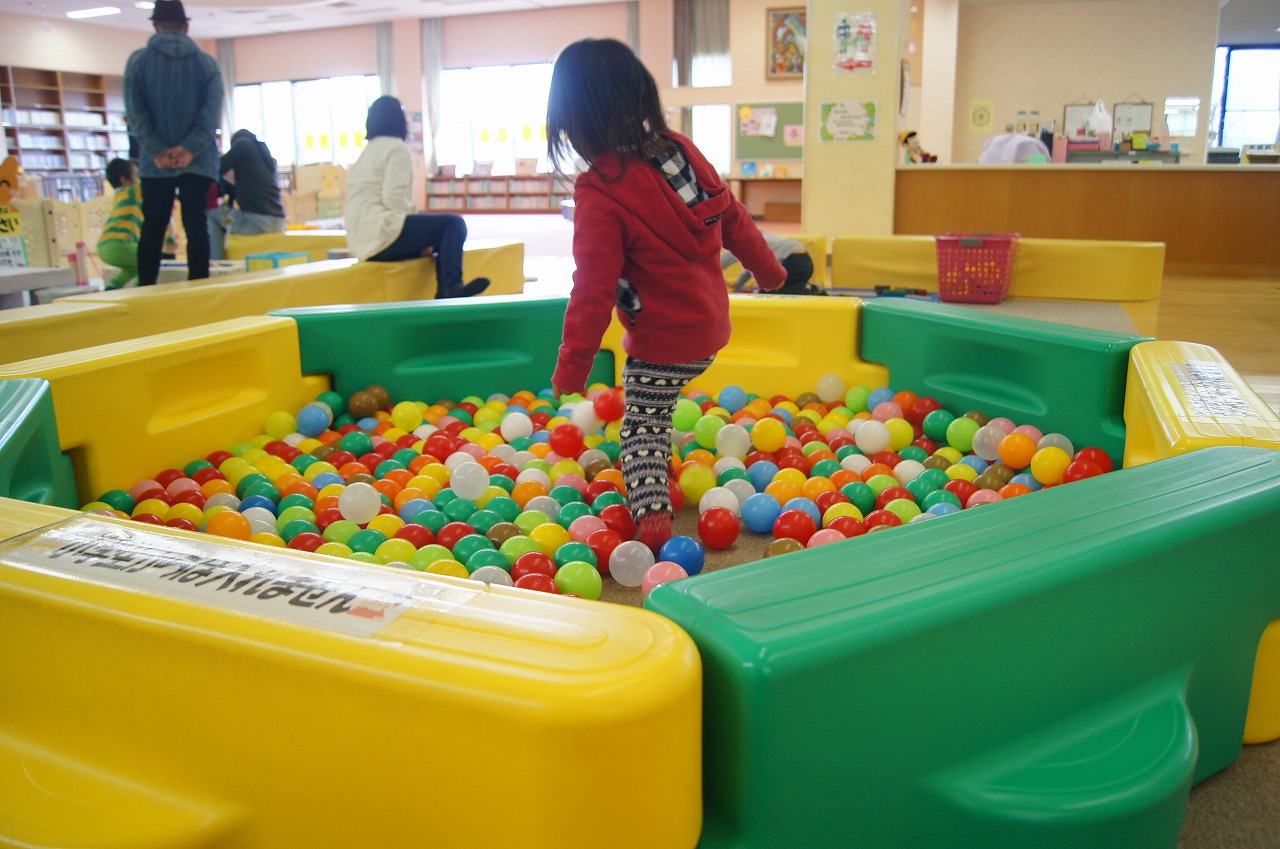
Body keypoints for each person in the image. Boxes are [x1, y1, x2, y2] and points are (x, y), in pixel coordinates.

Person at [545, 38, 787, 555]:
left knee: (643, 426)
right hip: (710, 330)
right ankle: (661, 473)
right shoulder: (681, 150)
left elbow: (592, 285)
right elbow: (734, 217)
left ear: (574, 120)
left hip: (661, 341)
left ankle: (653, 519)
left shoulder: (600, 189)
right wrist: (768, 272)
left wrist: (573, 365)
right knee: (661, 399)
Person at [344, 96, 489, 299]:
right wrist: (419, 215)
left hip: (361, 242)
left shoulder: (366, 152)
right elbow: (393, 200)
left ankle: (446, 286)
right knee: (453, 224)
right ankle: (450, 287)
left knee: (433, 236)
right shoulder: (396, 148)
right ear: (399, 119)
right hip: (381, 232)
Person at [123, 0, 223, 286]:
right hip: (199, 159)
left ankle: (146, 288)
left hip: (155, 163)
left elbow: (135, 112)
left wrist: (156, 150)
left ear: (155, 26)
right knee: (196, 224)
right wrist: (190, 149)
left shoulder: (138, 62)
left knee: (153, 225)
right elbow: (211, 115)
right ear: (186, 26)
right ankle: (199, 287)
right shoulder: (207, 64)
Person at [208, 129, 287, 260]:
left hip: (257, 221)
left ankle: (217, 263)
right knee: (224, 212)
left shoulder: (243, 145)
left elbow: (218, 167)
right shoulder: (265, 156)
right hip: (279, 221)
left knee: (211, 215)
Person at [722, 230, 827, 295]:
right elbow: (752, 265)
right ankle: (809, 289)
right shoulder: (757, 234)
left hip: (794, 262)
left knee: (766, 293)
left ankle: (809, 291)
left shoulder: (746, 240)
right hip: (805, 261)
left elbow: (723, 259)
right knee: (784, 290)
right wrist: (736, 284)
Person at [96, 158, 143, 290]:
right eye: (136, 176)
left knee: (133, 269)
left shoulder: (119, 197)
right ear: (124, 180)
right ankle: (141, 293)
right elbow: (150, 184)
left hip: (103, 247)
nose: (138, 180)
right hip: (119, 245)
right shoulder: (130, 193)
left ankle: (111, 288)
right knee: (148, 261)